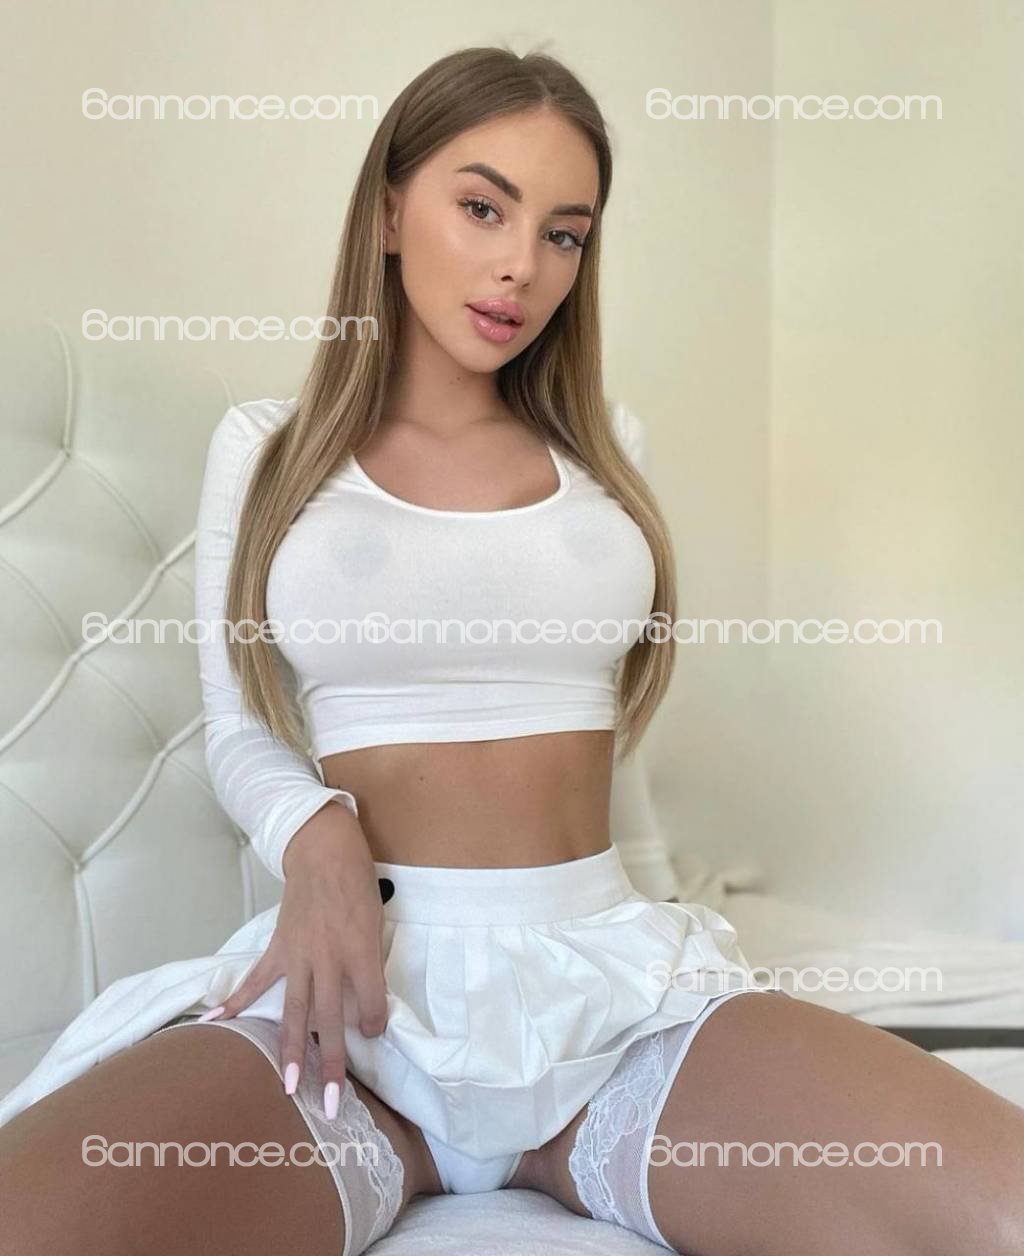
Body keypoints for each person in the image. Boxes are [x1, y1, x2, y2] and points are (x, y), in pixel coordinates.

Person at [2, 45, 1022, 1256]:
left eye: (564, 233)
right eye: (483, 207)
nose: (520, 265)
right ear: (390, 210)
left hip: (616, 1007)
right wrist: (316, 834)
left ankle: (571, 1137)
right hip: (352, 1010)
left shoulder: (604, 449)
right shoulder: (266, 447)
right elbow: (236, 725)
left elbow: (606, 729)